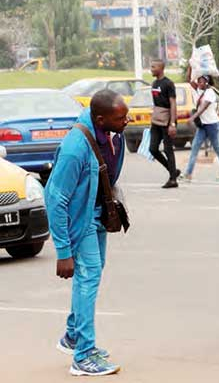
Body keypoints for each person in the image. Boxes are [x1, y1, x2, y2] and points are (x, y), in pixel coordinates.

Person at [45, 89, 128, 377]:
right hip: (80, 221)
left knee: (92, 272)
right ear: (101, 119)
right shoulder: (74, 148)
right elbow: (55, 199)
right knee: (88, 277)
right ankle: (83, 356)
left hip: (97, 216)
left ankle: (72, 336)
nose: (126, 122)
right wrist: (64, 251)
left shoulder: (112, 133)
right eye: (121, 118)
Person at [183, 75, 219, 182]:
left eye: (202, 82)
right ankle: (188, 174)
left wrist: (192, 118)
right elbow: (188, 80)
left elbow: (203, 107)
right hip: (202, 126)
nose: (200, 84)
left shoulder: (210, 93)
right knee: (195, 147)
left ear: (207, 83)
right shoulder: (197, 91)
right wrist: (191, 64)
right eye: (198, 82)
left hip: (212, 125)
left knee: (218, 149)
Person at [148, 59, 179, 188]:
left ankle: (173, 180)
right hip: (156, 120)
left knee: (168, 149)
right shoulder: (154, 83)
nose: (151, 69)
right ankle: (173, 171)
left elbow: (173, 103)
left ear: (161, 68)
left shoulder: (168, 84)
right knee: (153, 149)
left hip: (167, 120)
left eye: (153, 67)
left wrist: (172, 124)